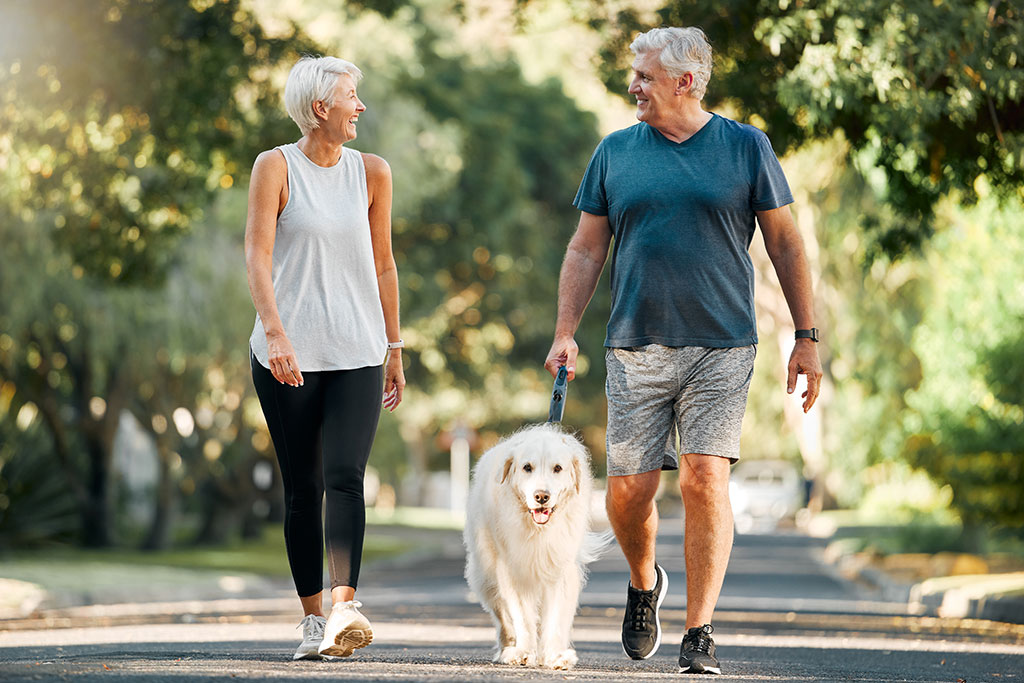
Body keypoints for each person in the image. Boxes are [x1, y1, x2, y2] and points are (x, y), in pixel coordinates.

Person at [544, 27, 822, 675]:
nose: (632, 85)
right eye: (634, 74)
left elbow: (785, 243)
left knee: (704, 476)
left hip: (722, 342)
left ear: (685, 82)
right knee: (628, 492)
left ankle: (700, 629)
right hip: (634, 342)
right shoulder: (615, 152)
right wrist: (565, 330)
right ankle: (645, 582)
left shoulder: (745, 147)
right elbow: (586, 249)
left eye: (643, 75)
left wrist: (806, 336)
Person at [244, 55, 405, 661]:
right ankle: (312, 620)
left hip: (358, 349)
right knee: (302, 486)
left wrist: (393, 345)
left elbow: (385, 262)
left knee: (346, 477)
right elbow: (258, 256)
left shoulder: (373, 173)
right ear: (320, 108)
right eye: (351, 97)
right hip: (287, 354)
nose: (359, 106)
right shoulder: (275, 167)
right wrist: (276, 333)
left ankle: (343, 609)